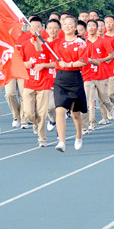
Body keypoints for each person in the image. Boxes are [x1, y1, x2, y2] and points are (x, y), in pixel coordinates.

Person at [51, 15, 88, 153]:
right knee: (59, 109)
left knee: (75, 113)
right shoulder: (57, 42)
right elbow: (40, 49)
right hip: (60, 79)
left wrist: (69, 64)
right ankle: (62, 141)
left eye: (70, 24)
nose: (66, 26)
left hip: (74, 78)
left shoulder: (80, 43)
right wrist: (34, 37)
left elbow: (84, 60)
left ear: (75, 26)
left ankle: (79, 135)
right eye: (64, 24)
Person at [21, 16, 53, 147]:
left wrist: (44, 65)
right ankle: (34, 123)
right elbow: (18, 62)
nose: (35, 29)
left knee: (42, 113)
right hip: (29, 83)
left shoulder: (48, 44)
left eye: (38, 27)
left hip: (44, 83)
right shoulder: (24, 44)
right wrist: (25, 64)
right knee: (29, 113)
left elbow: (55, 63)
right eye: (32, 27)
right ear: (29, 28)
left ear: (42, 28)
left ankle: (42, 139)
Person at [81, 19, 114, 132]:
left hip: (101, 74)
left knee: (104, 98)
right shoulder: (83, 42)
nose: (91, 28)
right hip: (88, 75)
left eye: (93, 26)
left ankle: (111, 108)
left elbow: (111, 55)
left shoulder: (103, 41)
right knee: (89, 101)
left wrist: (101, 60)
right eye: (89, 26)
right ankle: (92, 122)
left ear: (97, 28)